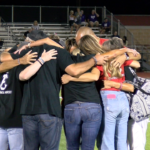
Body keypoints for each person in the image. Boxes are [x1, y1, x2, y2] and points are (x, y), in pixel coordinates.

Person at [0, 44, 38, 150]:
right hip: (16, 121)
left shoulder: (5, 66)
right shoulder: (21, 65)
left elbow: (3, 56)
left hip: (3, 119)